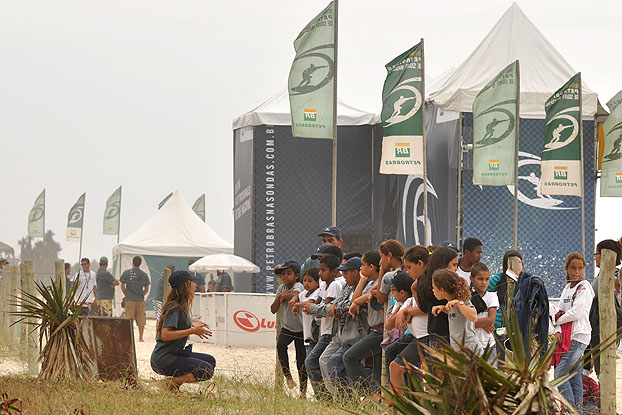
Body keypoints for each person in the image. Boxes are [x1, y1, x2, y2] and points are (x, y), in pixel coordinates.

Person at [150, 270, 215, 391]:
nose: (195, 285)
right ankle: (169, 384)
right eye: (192, 282)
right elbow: (165, 334)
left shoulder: (180, 306)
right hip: (164, 359)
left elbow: (177, 323)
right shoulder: (175, 306)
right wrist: (192, 330)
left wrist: (190, 321)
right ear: (185, 285)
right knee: (206, 370)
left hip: (172, 354)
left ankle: (173, 386)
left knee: (211, 361)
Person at [551, 253, 594, 411]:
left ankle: (571, 410)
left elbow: (576, 313)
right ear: (567, 269)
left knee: (559, 375)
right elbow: (559, 311)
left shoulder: (585, 287)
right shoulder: (566, 289)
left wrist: (557, 321)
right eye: (573, 268)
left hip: (579, 337)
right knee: (575, 378)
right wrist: (556, 329)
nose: (576, 272)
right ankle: (578, 411)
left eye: (580, 268)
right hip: (566, 337)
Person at [324, 257, 367, 397]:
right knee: (332, 363)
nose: (343, 276)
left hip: (359, 337)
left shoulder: (365, 287)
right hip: (347, 337)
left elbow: (347, 305)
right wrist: (341, 308)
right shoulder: (347, 286)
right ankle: (348, 399)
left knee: (336, 363)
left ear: (356, 272)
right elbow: (339, 305)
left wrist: (341, 308)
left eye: (346, 272)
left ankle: (358, 397)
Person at [344, 251, 384, 393]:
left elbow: (367, 296)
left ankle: (367, 393)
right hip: (373, 329)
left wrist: (358, 301)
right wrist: (362, 280)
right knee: (376, 370)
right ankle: (373, 396)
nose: (361, 268)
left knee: (349, 357)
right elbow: (354, 299)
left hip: (380, 330)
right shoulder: (369, 283)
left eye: (363, 265)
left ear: (372, 266)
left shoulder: (381, 281)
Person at [303, 254, 342, 399]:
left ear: (333, 271)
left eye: (323, 270)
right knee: (318, 361)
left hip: (330, 331)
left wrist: (313, 308)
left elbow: (325, 308)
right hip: (323, 331)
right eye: (319, 269)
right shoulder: (325, 284)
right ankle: (326, 395)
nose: (320, 273)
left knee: (314, 361)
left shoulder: (334, 285)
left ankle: (326, 396)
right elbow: (317, 305)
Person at [270, 260, 306, 395]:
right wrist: (280, 296)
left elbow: (296, 294)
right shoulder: (281, 288)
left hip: (301, 329)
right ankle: (288, 377)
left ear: (296, 275)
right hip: (287, 327)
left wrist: (286, 295)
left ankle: (303, 392)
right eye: (283, 274)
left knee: (301, 361)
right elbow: (273, 310)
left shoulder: (299, 285)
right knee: (280, 346)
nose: (285, 276)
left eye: (288, 273)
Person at [587, 239, 622, 376]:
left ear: (604, 254)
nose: (595, 257)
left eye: (596, 253)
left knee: (604, 372)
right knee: (601, 372)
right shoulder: (603, 276)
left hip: (605, 330)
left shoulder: (613, 277)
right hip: (598, 330)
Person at [487, 249, 523, 360]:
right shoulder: (496, 280)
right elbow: (484, 299)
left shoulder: (527, 282)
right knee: (500, 362)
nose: (516, 266)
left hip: (519, 329)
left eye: (518, 263)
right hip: (499, 329)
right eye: (511, 263)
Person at [431, 269, 478, 352]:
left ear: (442, 290)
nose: (433, 291)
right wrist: (443, 308)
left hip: (469, 349)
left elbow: (473, 317)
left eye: (434, 288)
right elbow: (458, 314)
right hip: (458, 350)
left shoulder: (461, 301)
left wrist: (459, 304)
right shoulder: (451, 303)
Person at [470, 262, 498, 361]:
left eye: (487, 279)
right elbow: (462, 321)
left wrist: (473, 323)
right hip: (471, 344)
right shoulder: (467, 298)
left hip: (488, 344)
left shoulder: (492, 296)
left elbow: (491, 319)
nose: (484, 283)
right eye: (480, 279)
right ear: (471, 278)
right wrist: (483, 324)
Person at [291, 268, 321, 355]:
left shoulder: (318, 292)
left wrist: (297, 305)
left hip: (316, 330)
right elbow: (297, 295)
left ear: (317, 282)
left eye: (310, 281)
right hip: (306, 331)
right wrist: (294, 300)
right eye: (304, 280)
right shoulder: (303, 294)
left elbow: (310, 303)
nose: (306, 283)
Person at [120, 256, 151, 342]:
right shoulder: (144, 274)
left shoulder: (126, 273)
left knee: (129, 319)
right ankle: (141, 337)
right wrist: (142, 294)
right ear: (140, 263)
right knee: (141, 319)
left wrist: (126, 294)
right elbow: (147, 288)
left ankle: (128, 337)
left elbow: (122, 286)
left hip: (129, 299)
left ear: (132, 262)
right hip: (140, 300)